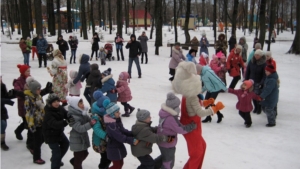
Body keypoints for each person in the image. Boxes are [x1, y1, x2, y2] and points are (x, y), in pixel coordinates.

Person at [172, 62, 224, 169]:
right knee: (197, 152)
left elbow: (194, 106)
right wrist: (214, 108)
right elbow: (200, 112)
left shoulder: (189, 94)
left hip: (192, 125)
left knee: (202, 146)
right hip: (191, 127)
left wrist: (206, 102)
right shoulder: (192, 96)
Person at [157, 92, 197, 169]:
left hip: (164, 141)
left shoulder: (165, 113)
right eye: (177, 106)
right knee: (168, 162)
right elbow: (180, 129)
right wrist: (191, 127)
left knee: (165, 158)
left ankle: (153, 166)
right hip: (167, 143)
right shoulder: (170, 118)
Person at [103, 101, 139, 169]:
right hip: (114, 148)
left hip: (118, 146)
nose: (119, 113)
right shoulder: (111, 125)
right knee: (117, 166)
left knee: (120, 164)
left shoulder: (116, 120)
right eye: (117, 112)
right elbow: (119, 136)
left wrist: (132, 133)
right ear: (112, 114)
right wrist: (131, 140)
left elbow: (122, 130)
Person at [67, 96, 96, 169]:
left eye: (82, 102)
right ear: (75, 106)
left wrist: (93, 119)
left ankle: (74, 161)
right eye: (80, 103)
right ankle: (76, 164)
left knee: (85, 153)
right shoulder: (73, 117)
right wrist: (90, 124)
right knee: (79, 158)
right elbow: (79, 128)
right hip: (76, 139)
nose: (82, 104)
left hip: (82, 138)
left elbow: (88, 120)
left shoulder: (81, 113)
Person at [43, 93, 70, 169]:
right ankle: (55, 165)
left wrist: (70, 116)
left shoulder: (60, 108)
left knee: (66, 144)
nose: (57, 103)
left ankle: (55, 159)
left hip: (59, 133)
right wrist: (66, 122)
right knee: (56, 152)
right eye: (54, 102)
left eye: (57, 101)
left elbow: (66, 114)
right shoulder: (48, 112)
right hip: (50, 135)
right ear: (50, 103)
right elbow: (54, 124)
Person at [24, 77, 46, 164]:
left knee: (43, 138)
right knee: (38, 140)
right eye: (38, 89)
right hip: (35, 122)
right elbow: (28, 112)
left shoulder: (39, 96)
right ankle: (36, 157)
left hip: (41, 120)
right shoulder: (28, 99)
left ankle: (32, 147)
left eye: (40, 89)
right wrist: (35, 105)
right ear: (33, 90)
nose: (40, 90)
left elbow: (42, 107)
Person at [91, 92, 111, 169]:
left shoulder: (105, 114)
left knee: (108, 158)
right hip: (99, 142)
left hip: (106, 140)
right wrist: (105, 136)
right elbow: (96, 129)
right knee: (105, 159)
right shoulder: (96, 117)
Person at [245, 49, 266, 114]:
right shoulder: (251, 62)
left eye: (258, 55)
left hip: (258, 81)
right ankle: (255, 107)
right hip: (251, 81)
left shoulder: (264, 63)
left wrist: (262, 83)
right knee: (252, 95)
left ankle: (259, 107)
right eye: (255, 55)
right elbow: (248, 71)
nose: (256, 56)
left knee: (258, 95)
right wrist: (246, 79)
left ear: (261, 56)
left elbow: (264, 74)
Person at [1, 76, 15, 150]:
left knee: (4, 124)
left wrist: (12, 94)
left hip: (2, 109)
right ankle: (2, 142)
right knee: (2, 124)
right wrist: (5, 101)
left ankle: (2, 140)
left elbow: (6, 96)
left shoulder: (2, 86)